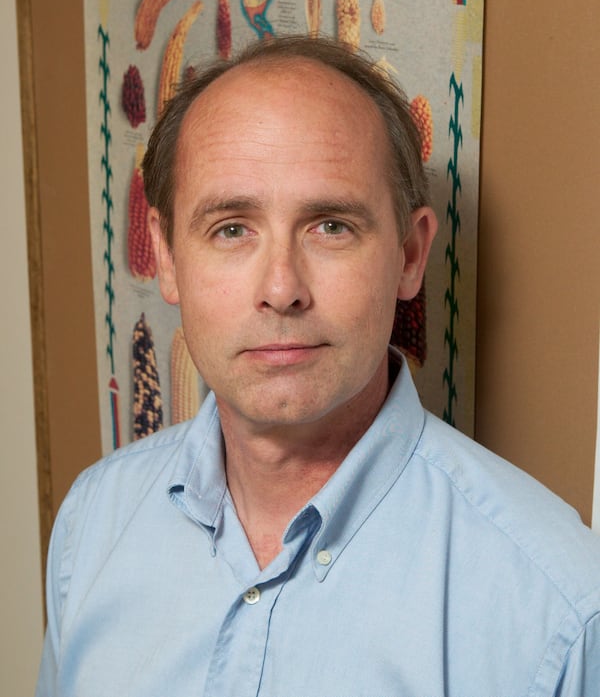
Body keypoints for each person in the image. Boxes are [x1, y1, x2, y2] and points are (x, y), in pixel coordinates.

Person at [36, 35, 600, 696]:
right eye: (231, 228)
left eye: (331, 226)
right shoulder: (92, 523)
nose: (281, 289)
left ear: (410, 255)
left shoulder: (558, 609)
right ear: (165, 257)